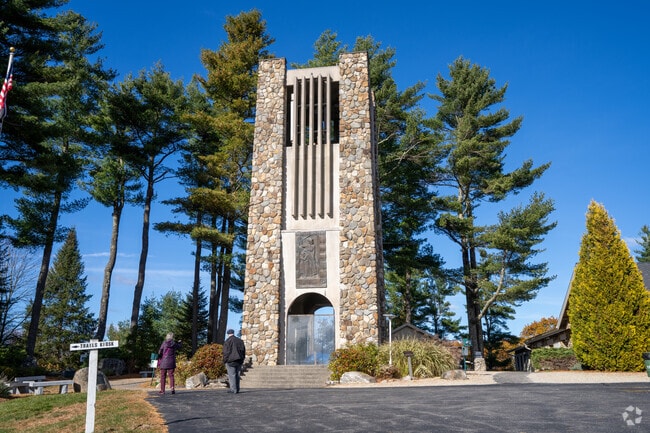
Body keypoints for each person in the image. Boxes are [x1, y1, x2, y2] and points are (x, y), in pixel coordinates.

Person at [222, 329, 246, 394]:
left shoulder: (227, 341)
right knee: (237, 375)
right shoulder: (240, 341)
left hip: (230, 360)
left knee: (232, 375)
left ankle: (233, 389)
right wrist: (242, 359)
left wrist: (224, 360)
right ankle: (237, 389)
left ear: (228, 334)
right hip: (239, 360)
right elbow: (243, 351)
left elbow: (226, 352)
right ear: (233, 333)